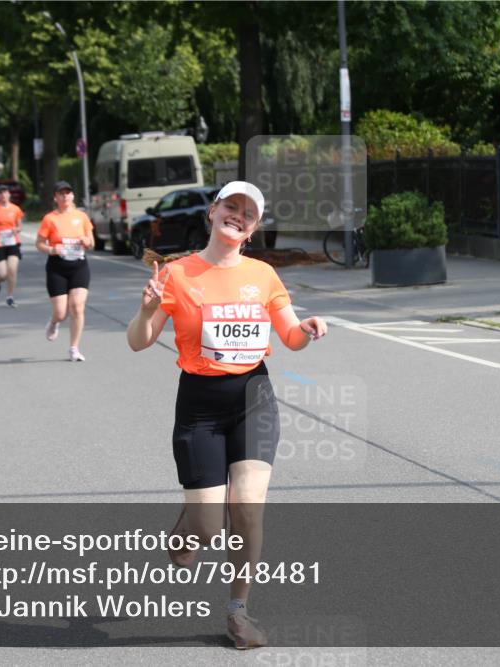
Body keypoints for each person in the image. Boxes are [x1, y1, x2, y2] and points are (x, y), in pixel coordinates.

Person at [126, 181, 327, 649]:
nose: (237, 216)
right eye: (230, 206)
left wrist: (307, 328)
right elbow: (138, 341)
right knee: (209, 528)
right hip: (200, 405)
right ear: (213, 211)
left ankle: (239, 613)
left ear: (253, 229)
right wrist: (147, 308)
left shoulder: (263, 275)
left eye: (248, 213)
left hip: (254, 397)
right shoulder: (176, 273)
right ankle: (191, 527)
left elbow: (290, 337)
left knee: (248, 509)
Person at [35, 181, 94, 361]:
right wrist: (52, 249)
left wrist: (87, 241)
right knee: (61, 313)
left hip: (79, 266)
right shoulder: (50, 219)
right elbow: (39, 243)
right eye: (61, 193)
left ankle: (74, 348)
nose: (65, 196)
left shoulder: (81, 216)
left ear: (73, 196)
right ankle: (54, 322)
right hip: (57, 267)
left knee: (77, 306)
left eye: (68, 192)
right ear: (55, 197)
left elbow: (91, 243)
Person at [0, 184, 24, 307]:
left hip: (13, 243)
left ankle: (10, 296)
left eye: (5, 192)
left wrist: (16, 230)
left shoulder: (15, 209)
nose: (3, 195)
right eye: (0, 193)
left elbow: (20, 225)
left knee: (12, 270)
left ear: (9, 194)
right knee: (3, 274)